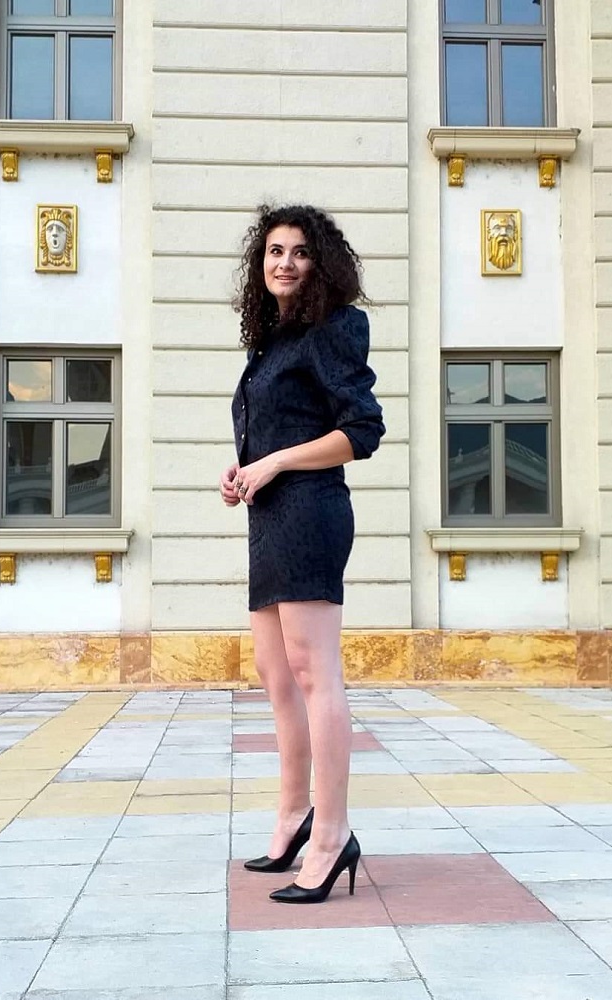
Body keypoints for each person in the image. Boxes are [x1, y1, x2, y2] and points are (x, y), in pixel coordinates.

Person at [220, 205, 385, 904]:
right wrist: (245, 469)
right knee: (275, 672)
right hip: (270, 518)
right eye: (274, 251)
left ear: (321, 263)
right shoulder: (273, 340)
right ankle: (293, 816)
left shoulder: (335, 327)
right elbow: (275, 432)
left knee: (316, 672)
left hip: (312, 514)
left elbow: (362, 431)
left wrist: (277, 462)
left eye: (299, 251)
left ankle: (332, 834)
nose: (284, 262)